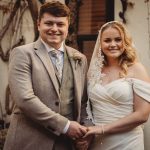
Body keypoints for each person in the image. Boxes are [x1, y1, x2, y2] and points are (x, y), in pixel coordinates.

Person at [4, 1, 92, 150]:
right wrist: (65, 126)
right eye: (49, 23)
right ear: (38, 24)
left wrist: (86, 132)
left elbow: (84, 101)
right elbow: (25, 99)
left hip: (66, 144)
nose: (54, 29)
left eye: (60, 24)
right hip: (30, 142)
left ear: (67, 26)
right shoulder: (22, 54)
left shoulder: (80, 58)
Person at [83, 21, 150, 150]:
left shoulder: (137, 69)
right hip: (98, 141)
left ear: (125, 42)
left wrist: (102, 129)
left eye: (118, 40)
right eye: (107, 40)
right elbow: (86, 107)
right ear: (100, 44)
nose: (113, 44)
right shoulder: (93, 71)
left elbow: (142, 115)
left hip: (128, 141)